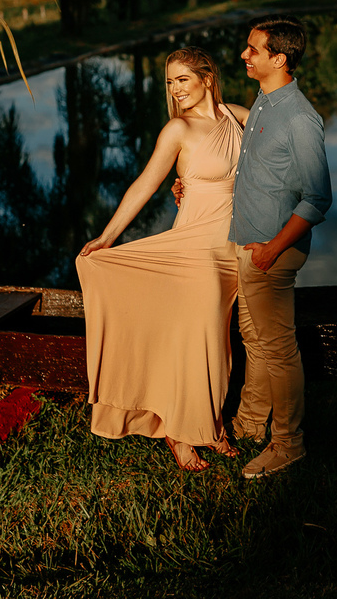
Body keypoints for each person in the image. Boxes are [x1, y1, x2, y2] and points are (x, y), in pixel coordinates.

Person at [76, 46, 250, 472]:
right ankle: (184, 432)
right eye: (170, 82)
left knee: (219, 343)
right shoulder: (177, 129)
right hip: (196, 247)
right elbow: (144, 184)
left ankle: (206, 423)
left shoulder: (238, 116)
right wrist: (107, 236)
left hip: (235, 246)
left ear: (207, 78)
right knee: (204, 337)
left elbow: (283, 145)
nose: (175, 89)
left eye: (183, 79)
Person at [177, 14, 332, 479]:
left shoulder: (299, 118)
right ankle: (248, 422)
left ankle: (288, 443)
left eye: (253, 49)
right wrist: (190, 186)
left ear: (278, 59)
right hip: (247, 244)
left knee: (279, 349)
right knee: (257, 341)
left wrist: (271, 249)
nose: (244, 55)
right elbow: (247, 169)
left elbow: (318, 198)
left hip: (272, 250)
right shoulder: (263, 102)